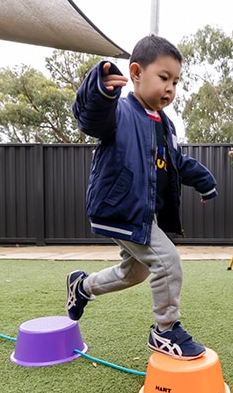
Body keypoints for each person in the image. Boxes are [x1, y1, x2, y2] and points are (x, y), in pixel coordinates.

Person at [67, 35, 218, 360]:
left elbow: (178, 163)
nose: (170, 88)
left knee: (135, 272)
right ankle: (165, 331)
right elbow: (89, 119)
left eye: (176, 81)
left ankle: (82, 287)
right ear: (136, 73)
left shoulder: (165, 125)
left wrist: (205, 182)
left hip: (143, 212)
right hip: (120, 208)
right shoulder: (118, 111)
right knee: (167, 262)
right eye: (164, 78)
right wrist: (101, 90)